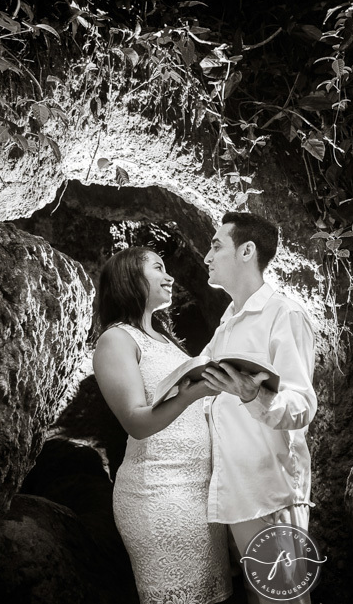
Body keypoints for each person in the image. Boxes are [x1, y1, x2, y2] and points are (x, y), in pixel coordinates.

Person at [92, 247, 232, 604]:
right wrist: (193, 393)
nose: (170, 277)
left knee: (213, 597)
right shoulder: (116, 340)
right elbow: (136, 422)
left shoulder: (166, 339)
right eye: (158, 268)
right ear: (129, 278)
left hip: (200, 492)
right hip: (157, 492)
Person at [199, 212, 318, 604]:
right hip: (234, 489)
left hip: (271, 490)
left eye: (216, 245)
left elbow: (301, 405)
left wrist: (255, 396)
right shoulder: (226, 323)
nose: (206, 256)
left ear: (247, 251)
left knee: (283, 600)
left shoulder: (284, 314)